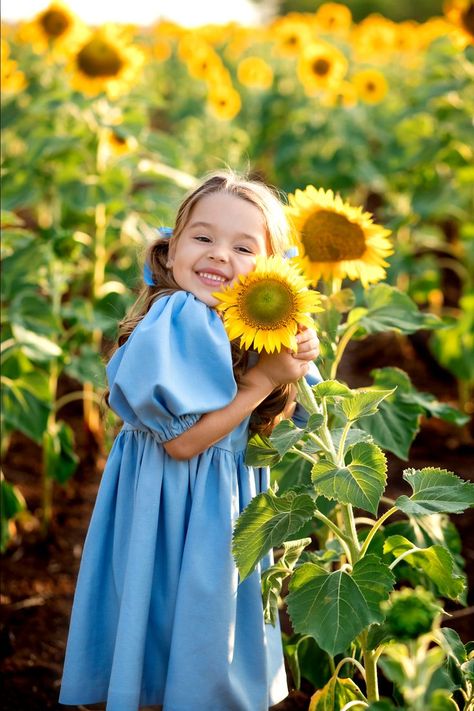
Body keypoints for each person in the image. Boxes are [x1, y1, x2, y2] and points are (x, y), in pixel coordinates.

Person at [59, 169, 322, 711]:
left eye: (243, 246)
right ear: (172, 247)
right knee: (182, 628)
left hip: (219, 505)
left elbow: (303, 419)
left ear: (272, 269)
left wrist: (296, 355)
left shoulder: (242, 323)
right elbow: (181, 444)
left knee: (200, 631)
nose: (219, 255)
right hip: (172, 502)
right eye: (202, 237)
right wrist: (262, 382)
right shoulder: (177, 319)